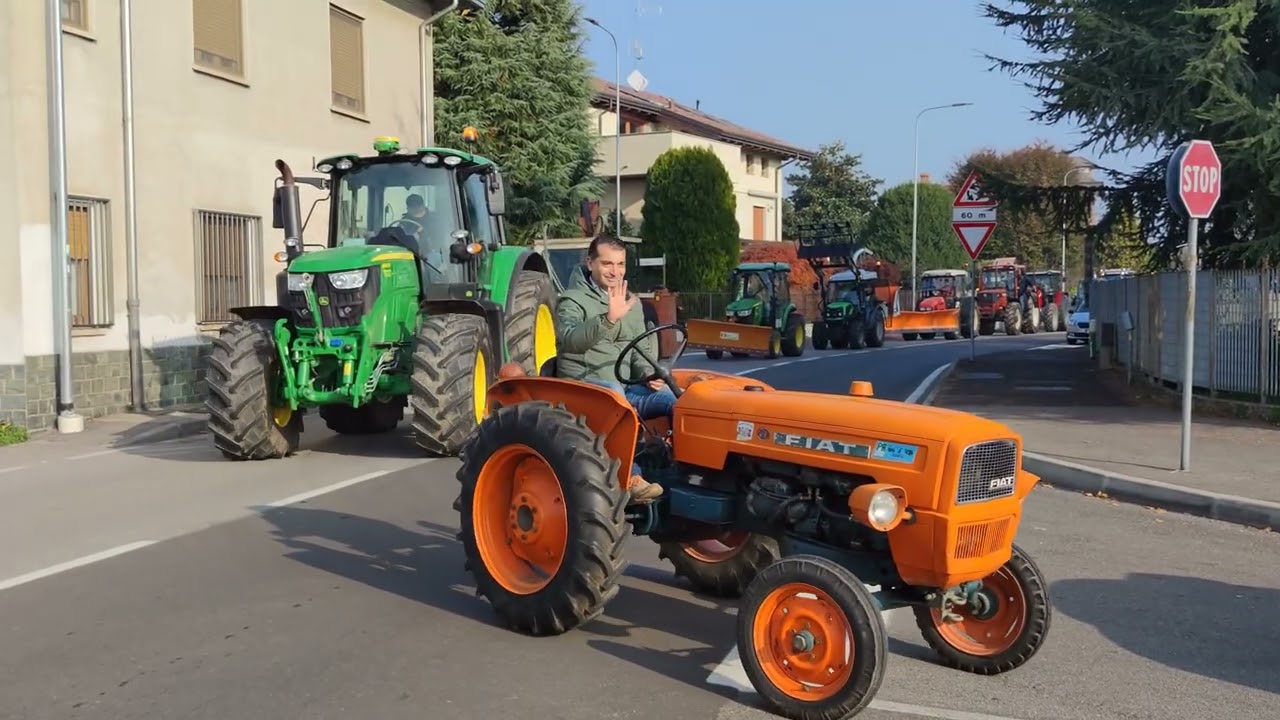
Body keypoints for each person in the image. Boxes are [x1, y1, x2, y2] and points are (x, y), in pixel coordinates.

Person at [555, 234, 674, 503]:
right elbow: (570, 339)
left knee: (676, 399)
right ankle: (631, 477)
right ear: (590, 263)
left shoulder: (630, 302)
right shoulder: (572, 300)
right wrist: (609, 318)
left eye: (620, 265)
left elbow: (638, 349)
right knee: (614, 396)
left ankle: (685, 472)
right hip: (585, 388)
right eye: (607, 264)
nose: (615, 271)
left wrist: (648, 373)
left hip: (623, 387)